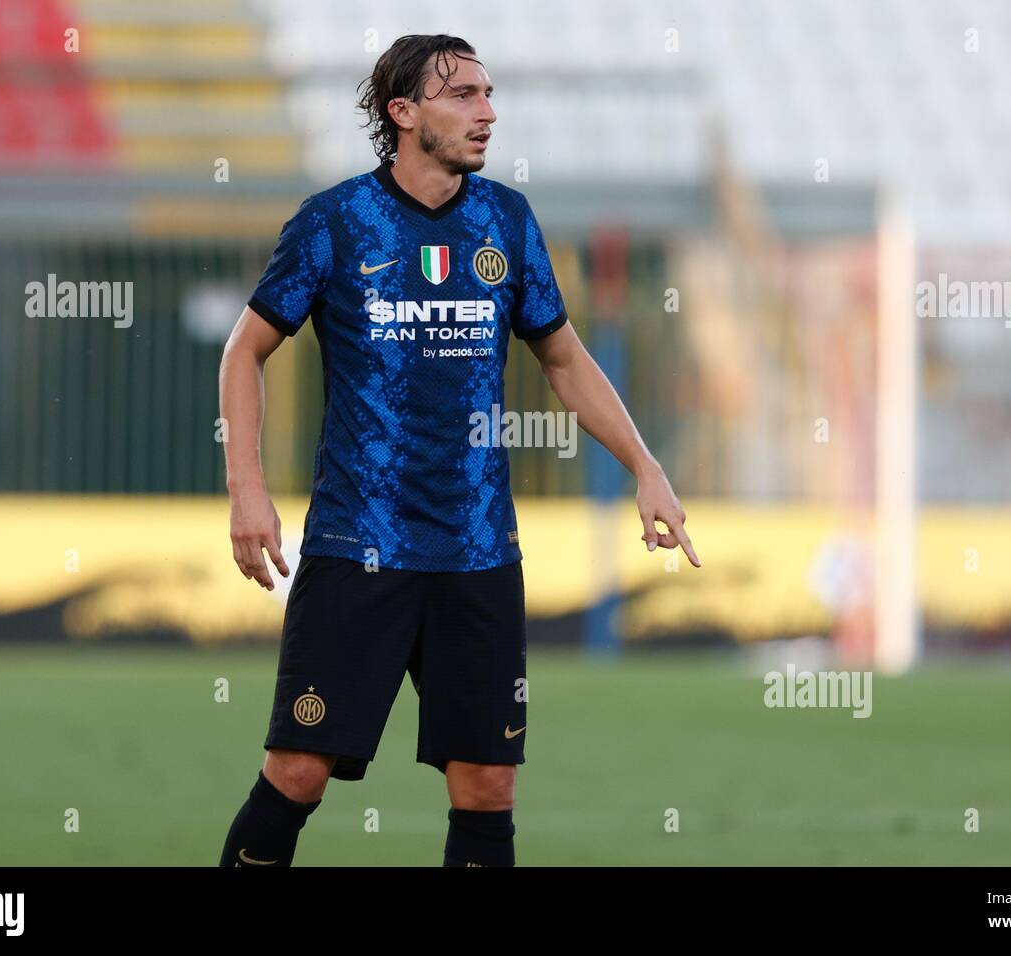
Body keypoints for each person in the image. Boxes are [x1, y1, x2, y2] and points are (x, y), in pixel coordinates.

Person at [217, 34, 699, 868]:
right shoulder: (334, 222)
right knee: (296, 770)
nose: (488, 111)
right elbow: (243, 351)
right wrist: (247, 489)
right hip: (355, 548)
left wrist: (646, 468)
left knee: (486, 788)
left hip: (477, 553)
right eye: (465, 96)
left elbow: (563, 358)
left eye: (488, 93)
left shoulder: (506, 222)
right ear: (404, 114)